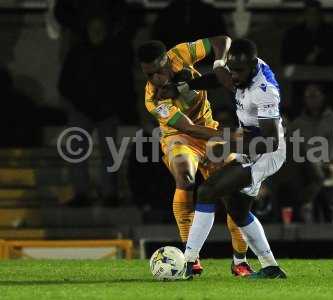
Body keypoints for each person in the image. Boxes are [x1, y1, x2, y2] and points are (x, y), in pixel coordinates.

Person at [160, 38, 287, 279]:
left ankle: (187, 261)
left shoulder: (265, 92)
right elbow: (220, 78)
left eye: (239, 71)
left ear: (251, 66)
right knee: (237, 211)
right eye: (232, 70)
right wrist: (183, 88)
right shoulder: (242, 69)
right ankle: (271, 267)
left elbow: (271, 141)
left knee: (208, 191)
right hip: (248, 144)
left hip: (265, 153)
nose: (234, 76)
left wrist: (230, 141)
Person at [137, 36, 253, 276]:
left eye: (158, 72)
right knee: (185, 177)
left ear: (166, 60)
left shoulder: (180, 54)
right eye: (149, 75)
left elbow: (222, 40)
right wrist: (227, 136)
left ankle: (240, 260)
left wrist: (219, 63)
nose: (155, 79)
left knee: (235, 193)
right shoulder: (153, 98)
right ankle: (191, 258)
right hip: (179, 138)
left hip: (208, 130)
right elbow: (188, 128)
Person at [54, 0, 142, 206]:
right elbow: (65, 82)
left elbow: (123, 84)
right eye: (93, 29)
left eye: (100, 29)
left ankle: (109, 193)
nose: (97, 33)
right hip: (83, 109)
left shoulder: (115, 52)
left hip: (105, 111)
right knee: (78, 152)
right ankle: (81, 192)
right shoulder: (79, 52)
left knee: (109, 154)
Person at [289, 83, 333, 223]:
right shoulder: (297, 124)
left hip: (331, 180)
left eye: (315, 95)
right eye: (308, 96)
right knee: (308, 223)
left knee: (330, 222)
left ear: (323, 97)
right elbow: (292, 154)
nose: (311, 99)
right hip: (308, 184)